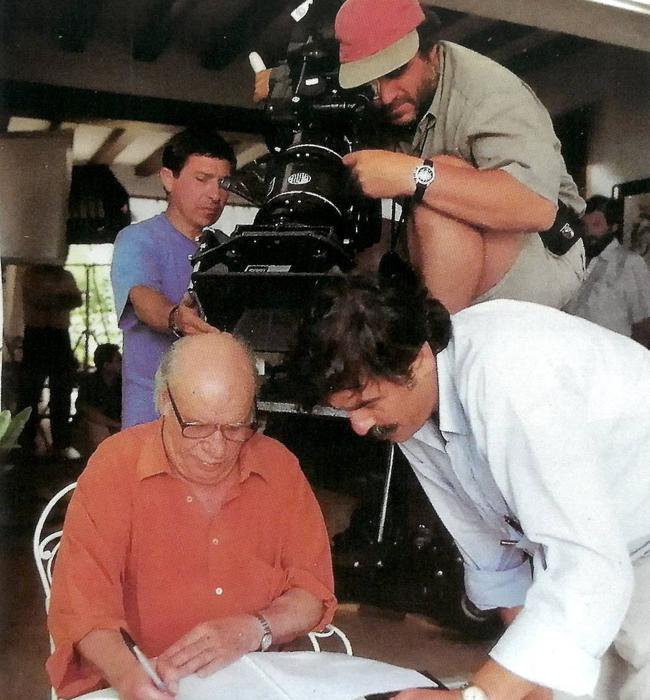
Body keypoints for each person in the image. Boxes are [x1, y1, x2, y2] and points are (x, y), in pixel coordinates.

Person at [291, 263, 650, 700]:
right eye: (348, 411)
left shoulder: (508, 374)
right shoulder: (411, 411)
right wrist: (525, 689)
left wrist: (477, 696)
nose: (360, 426)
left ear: (417, 358)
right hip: (601, 555)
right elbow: (497, 559)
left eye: (366, 404)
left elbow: (588, 565)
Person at [47, 332, 335, 700]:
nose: (217, 448)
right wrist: (128, 676)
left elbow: (312, 591)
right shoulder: (114, 467)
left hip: (255, 677)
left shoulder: (279, 467)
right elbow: (82, 607)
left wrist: (254, 629)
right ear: (166, 401)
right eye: (197, 427)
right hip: (141, 680)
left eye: (235, 427)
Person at [332, 0, 585, 313]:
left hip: (545, 250)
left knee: (438, 180)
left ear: (432, 51)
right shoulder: (382, 101)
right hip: (467, 249)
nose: (386, 95)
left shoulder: (490, 92)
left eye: (396, 71)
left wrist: (413, 174)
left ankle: (438, 351)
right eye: (371, 81)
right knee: (362, 241)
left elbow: (537, 208)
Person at [111, 127, 235, 428]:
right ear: (168, 178)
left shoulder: (227, 249)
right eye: (202, 180)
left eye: (224, 183)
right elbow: (142, 298)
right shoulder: (137, 239)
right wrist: (177, 317)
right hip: (153, 415)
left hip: (213, 419)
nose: (215, 195)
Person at [565, 195, 650, 347]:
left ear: (614, 227)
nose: (589, 232)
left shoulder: (629, 263)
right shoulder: (572, 259)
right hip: (571, 352)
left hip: (611, 359)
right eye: (585, 226)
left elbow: (643, 324)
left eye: (596, 224)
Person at [17, 264, 82, 459]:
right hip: (36, 334)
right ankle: (25, 442)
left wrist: (52, 299)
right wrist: (62, 299)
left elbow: (76, 300)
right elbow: (36, 298)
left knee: (62, 389)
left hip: (59, 335)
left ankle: (61, 443)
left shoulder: (66, 276)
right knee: (30, 390)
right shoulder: (30, 273)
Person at [72, 343, 122, 455]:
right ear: (106, 365)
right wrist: (116, 425)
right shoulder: (90, 383)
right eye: (118, 360)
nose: (122, 363)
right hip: (93, 430)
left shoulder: (122, 384)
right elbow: (88, 411)